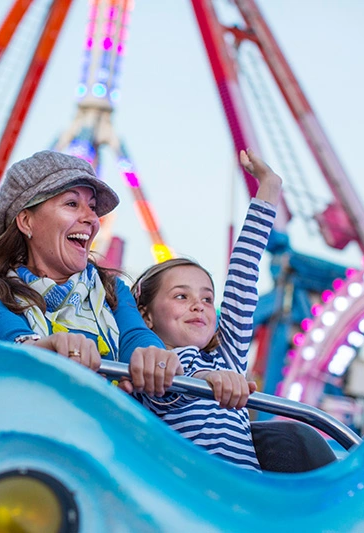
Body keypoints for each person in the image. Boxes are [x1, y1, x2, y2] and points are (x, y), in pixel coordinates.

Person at [131, 149, 335, 472]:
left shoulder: (228, 357)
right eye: (181, 297)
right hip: (188, 491)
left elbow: (243, 273)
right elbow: (171, 386)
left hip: (243, 497)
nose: (198, 304)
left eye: (208, 299)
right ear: (146, 315)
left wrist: (268, 187)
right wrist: (206, 379)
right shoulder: (152, 361)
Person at [0, 150, 181, 396]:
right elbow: (7, 336)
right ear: (26, 222)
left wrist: (153, 355)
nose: (92, 218)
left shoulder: (112, 289)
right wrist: (49, 347)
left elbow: (135, 335)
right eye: (72, 204)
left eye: (92, 208)